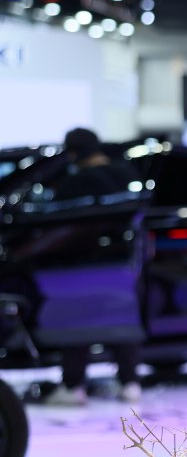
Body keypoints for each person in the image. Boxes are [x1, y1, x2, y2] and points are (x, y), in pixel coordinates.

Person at [44, 128, 143, 406]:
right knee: (122, 321)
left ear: (73, 152)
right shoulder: (127, 175)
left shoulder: (74, 183)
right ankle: (130, 382)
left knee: (79, 322)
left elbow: (58, 226)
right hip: (124, 261)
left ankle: (73, 386)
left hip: (84, 264)